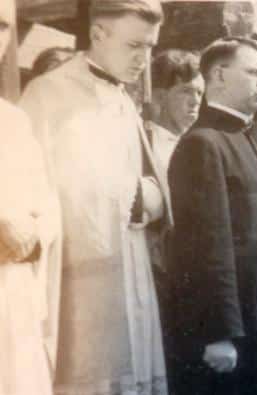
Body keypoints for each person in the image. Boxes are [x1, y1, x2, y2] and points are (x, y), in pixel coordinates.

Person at [19, 1, 170, 394]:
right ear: (98, 34)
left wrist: (152, 197)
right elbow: (28, 193)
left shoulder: (123, 98)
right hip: (77, 282)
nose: (144, 59)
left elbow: (145, 179)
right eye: (135, 45)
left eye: (151, 47)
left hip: (130, 269)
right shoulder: (46, 95)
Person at [167, 36, 257, 395]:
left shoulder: (239, 137)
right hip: (236, 331)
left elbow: (250, 215)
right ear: (218, 74)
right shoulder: (204, 143)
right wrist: (218, 333)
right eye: (253, 72)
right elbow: (205, 248)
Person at [0, 3, 55, 394]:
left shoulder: (13, 120)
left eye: (3, 26)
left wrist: (35, 232)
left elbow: (45, 201)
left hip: (11, 294)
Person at [150, 48, 204, 176]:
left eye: (199, 93)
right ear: (160, 96)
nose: (196, 101)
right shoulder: (144, 144)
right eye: (186, 91)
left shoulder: (197, 148)